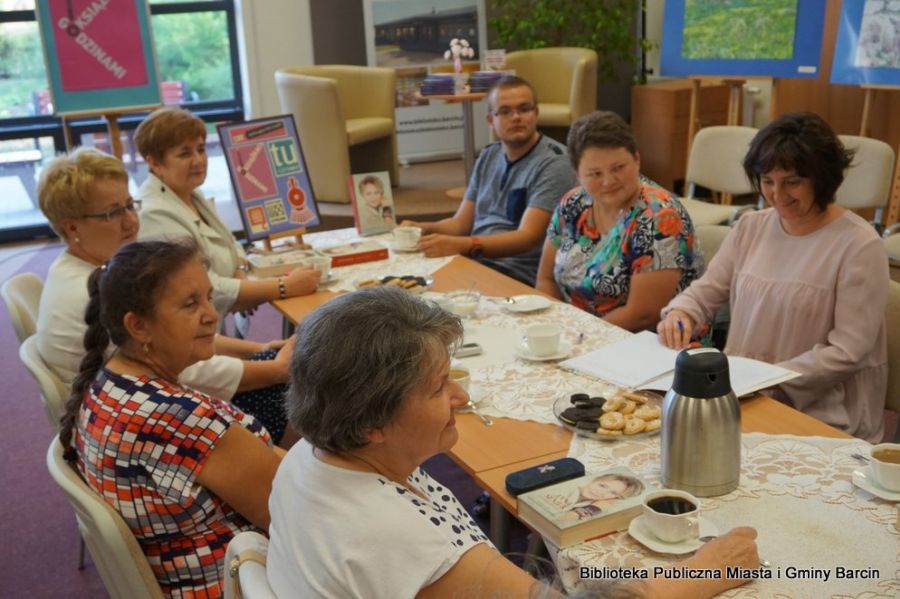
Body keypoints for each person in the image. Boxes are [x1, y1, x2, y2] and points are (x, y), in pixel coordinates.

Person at [266, 286, 760, 599]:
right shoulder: (403, 544)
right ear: (372, 420)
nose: (460, 396)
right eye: (439, 387)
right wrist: (695, 577)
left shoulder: (303, 460)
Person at [60, 240, 283, 597]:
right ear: (139, 326)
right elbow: (293, 514)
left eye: (209, 297)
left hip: (187, 570)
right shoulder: (181, 419)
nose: (211, 314)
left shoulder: (109, 383)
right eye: (190, 304)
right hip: (241, 581)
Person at [35, 148, 297, 446]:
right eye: (113, 213)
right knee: (309, 392)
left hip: (134, 415)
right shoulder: (93, 294)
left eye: (129, 205)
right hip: (148, 429)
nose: (131, 221)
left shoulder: (84, 270)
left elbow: (183, 335)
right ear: (72, 227)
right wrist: (274, 369)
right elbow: (192, 371)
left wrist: (256, 349)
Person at [658, 112, 889, 443]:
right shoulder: (752, 226)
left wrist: (770, 380)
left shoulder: (858, 245)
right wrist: (681, 312)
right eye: (767, 181)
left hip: (820, 414)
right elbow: (704, 293)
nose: (778, 194)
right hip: (745, 394)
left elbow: (847, 352)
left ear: (822, 178)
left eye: (791, 182)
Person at [134, 106, 320, 318]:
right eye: (185, 153)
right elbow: (199, 285)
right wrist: (283, 286)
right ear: (155, 163)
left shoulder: (191, 194)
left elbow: (232, 244)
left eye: (201, 149)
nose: (198, 160)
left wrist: (239, 274)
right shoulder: (154, 214)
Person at [401, 75, 578, 286]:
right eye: (504, 111)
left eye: (524, 109)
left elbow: (527, 238)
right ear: (490, 120)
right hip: (475, 260)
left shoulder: (554, 163)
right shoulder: (488, 155)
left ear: (536, 113)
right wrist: (421, 227)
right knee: (402, 285)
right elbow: (460, 224)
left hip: (517, 272)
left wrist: (462, 245)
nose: (516, 117)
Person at [535, 111, 702, 332]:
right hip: (574, 333)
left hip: (642, 343)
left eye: (618, 168)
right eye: (595, 174)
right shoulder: (573, 203)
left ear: (637, 159)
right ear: (577, 175)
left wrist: (576, 337)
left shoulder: (661, 218)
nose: (608, 181)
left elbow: (643, 316)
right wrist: (552, 328)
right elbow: (546, 279)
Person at [556, 473, 644, 523]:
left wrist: (597, 507)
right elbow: (556, 522)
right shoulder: (567, 488)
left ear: (616, 498)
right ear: (595, 480)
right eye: (603, 486)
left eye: (613, 492)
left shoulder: (591, 504)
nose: (601, 492)